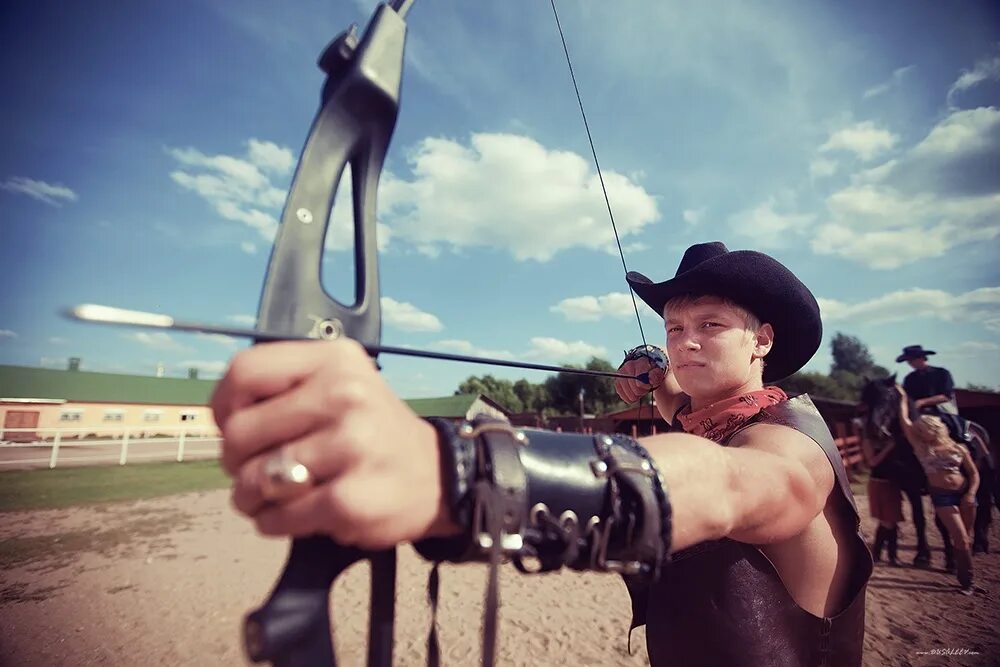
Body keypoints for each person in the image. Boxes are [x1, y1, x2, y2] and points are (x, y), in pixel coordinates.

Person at [212, 241, 873, 666]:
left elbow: (730, 484)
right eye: (674, 327)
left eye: (710, 325)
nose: (686, 341)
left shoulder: (794, 444)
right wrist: (658, 381)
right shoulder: (706, 420)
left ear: (761, 340)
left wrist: (460, 469)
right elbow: (681, 411)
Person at [896, 385, 979, 594]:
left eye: (924, 430)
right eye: (919, 431)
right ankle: (967, 583)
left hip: (965, 494)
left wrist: (970, 494)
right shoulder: (922, 448)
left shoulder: (959, 448)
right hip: (943, 497)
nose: (921, 434)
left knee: (965, 539)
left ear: (935, 428)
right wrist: (904, 398)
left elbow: (974, 474)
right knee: (960, 537)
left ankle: (963, 572)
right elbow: (905, 421)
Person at [859, 421, 902, 566]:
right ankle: (885, 554)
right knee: (887, 521)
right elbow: (872, 462)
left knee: (892, 521)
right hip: (879, 482)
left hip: (893, 482)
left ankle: (886, 554)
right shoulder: (868, 441)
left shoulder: (891, 438)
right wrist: (888, 448)